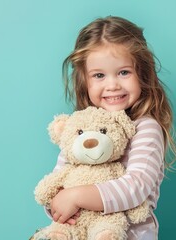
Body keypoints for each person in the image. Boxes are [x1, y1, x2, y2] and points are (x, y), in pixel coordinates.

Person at [39, 16, 176, 239]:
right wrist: (57, 205)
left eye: (124, 72)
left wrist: (76, 197)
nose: (112, 85)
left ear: (142, 73)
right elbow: (61, 179)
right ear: (84, 80)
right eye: (99, 75)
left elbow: (136, 187)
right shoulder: (79, 130)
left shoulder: (145, 128)